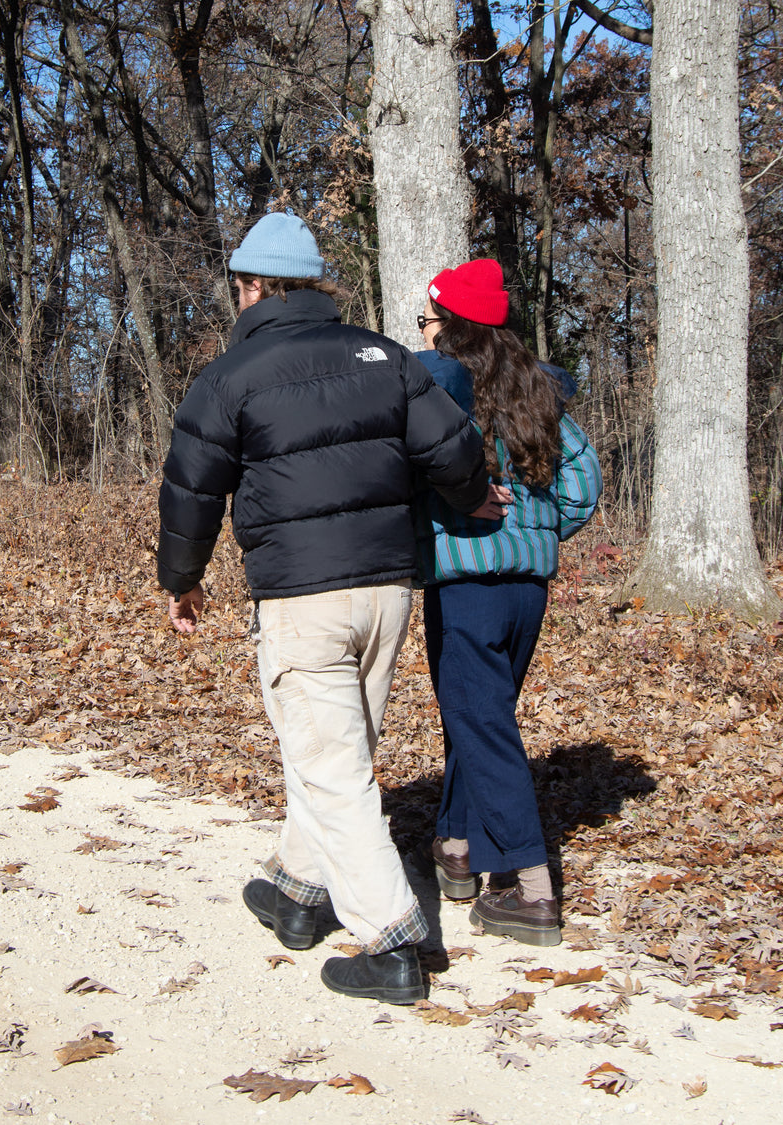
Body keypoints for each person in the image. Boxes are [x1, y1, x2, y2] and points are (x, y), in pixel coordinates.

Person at [157, 214, 506, 1003]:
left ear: (253, 288)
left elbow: (190, 488)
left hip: (301, 597)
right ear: (317, 287)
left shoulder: (228, 377)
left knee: (332, 766)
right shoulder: (382, 354)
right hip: (386, 592)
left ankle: (392, 940)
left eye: (238, 286)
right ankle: (297, 889)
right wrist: (475, 495)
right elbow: (453, 447)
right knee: (337, 756)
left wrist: (182, 579)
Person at [412, 259, 602, 946]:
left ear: (452, 325)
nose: (422, 333)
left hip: (466, 584)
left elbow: (420, 474)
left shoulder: (441, 391)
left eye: (427, 321)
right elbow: (581, 483)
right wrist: (539, 531)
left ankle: (532, 886)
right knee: (481, 714)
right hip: (528, 588)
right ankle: (457, 846)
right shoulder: (536, 388)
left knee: (482, 722)